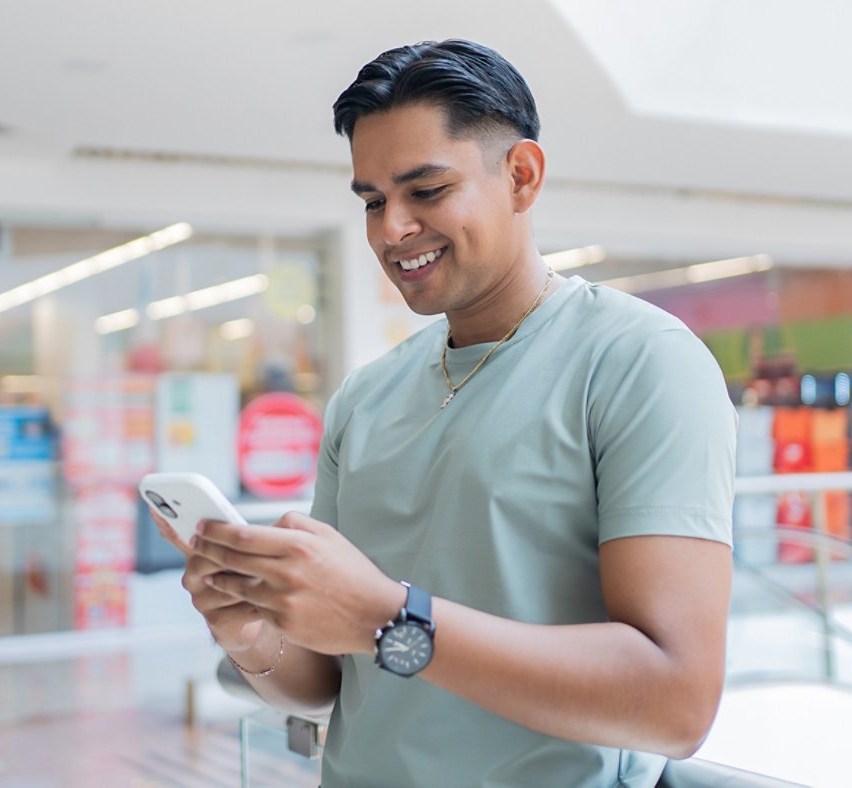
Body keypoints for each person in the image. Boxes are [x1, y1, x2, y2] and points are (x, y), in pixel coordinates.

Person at [152, 40, 737, 787]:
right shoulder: (365, 397)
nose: (391, 229)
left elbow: (675, 703)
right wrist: (250, 632)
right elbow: (338, 680)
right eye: (371, 201)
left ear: (521, 177)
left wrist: (388, 618)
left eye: (425, 191)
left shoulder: (640, 361)